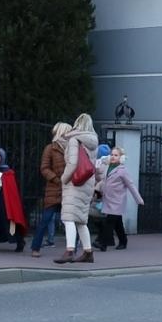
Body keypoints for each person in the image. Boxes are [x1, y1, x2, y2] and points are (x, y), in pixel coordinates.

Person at [55, 113, 100, 264]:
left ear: (77, 124)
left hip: (75, 183)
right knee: (81, 220)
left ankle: (69, 251)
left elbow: (73, 164)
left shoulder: (75, 139)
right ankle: (88, 252)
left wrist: (63, 179)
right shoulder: (93, 142)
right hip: (87, 183)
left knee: (68, 217)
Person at [31, 123, 69, 258]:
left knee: (71, 221)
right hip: (54, 189)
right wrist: (57, 180)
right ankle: (35, 247)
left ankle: (73, 250)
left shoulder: (72, 148)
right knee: (46, 219)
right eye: (67, 131)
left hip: (68, 190)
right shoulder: (50, 148)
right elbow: (44, 168)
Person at [99, 146, 144, 249]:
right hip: (108, 199)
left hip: (117, 201)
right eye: (112, 155)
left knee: (109, 222)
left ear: (121, 158)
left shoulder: (122, 171)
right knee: (117, 223)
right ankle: (123, 241)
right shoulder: (107, 167)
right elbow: (102, 179)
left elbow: (131, 185)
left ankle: (103, 243)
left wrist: (139, 199)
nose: (113, 157)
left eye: (116, 155)